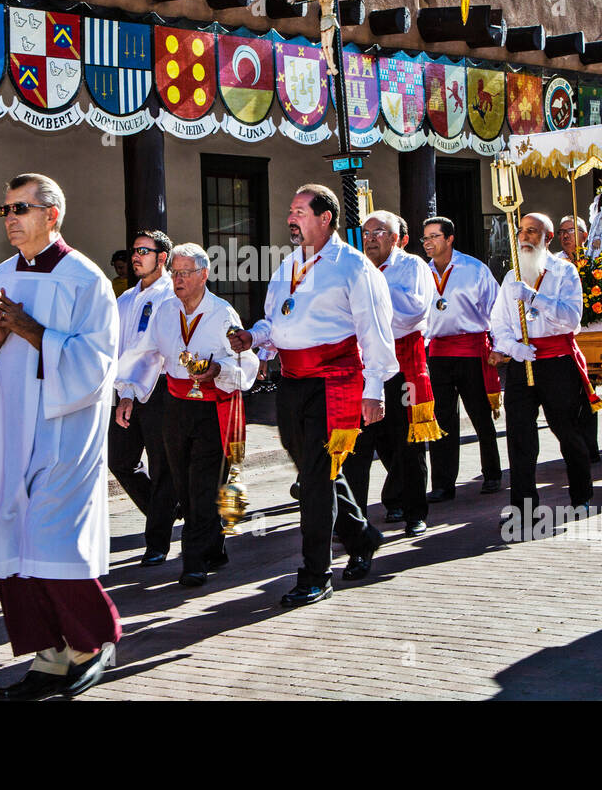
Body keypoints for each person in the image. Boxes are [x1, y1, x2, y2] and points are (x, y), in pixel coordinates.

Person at [0, 173, 121, 700]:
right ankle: (49, 652)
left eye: (20, 208)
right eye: (4, 210)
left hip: (63, 432)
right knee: (12, 534)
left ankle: (92, 644)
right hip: (7, 427)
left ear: (53, 214)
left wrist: (30, 329)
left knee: (53, 539)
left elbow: (97, 363)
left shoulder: (86, 280)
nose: (9, 219)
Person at [228, 184, 395, 607]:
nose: (291, 218)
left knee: (316, 480)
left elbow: (375, 332)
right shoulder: (287, 265)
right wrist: (253, 337)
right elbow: (275, 320)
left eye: (300, 211)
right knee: (313, 471)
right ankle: (362, 537)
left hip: (334, 381)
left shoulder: (354, 267)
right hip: (294, 382)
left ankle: (315, 574)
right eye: (290, 210)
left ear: (325, 218)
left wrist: (373, 391)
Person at [116, 243, 257, 587]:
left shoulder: (222, 313)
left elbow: (245, 362)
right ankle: (213, 546)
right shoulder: (166, 311)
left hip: (212, 406)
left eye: (185, 273)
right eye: (175, 273)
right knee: (181, 481)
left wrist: (218, 369)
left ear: (203, 275)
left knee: (203, 483)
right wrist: (127, 393)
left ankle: (192, 560)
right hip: (176, 405)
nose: (177, 279)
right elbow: (143, 353)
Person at [490, 214, 600, 533]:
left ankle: (581, 494)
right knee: (520, 435)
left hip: (556, 361)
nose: (525, 237)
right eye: (522, 231)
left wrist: (534, 297)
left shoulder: (564, 272)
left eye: (533, 232)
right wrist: (511, 345)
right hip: (523, 361)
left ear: (547, 238)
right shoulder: (512, 273)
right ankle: (524, 505)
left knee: (567, 429)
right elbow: (498, 321)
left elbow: (571, 318)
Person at [343, 211, 439, 536]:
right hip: (367, 365)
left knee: (407, 440)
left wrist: (375, 289)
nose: (370, 238)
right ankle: (354, 521)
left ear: (397, 238)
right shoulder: (357, 268)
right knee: (363, 442)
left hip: (403, 365)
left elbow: (413, 312)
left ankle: (414, 510)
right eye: (366, 233)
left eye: (379, 232)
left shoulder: (412, 267)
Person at [108, 230, 178, 566]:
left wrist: (131, 393)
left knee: (161, 465)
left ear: (162, 257)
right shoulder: (124, 300)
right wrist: (123, 392)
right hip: (127, 391)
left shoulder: (170, 297)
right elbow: (119, 349)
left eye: (143, 251)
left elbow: (154, 353)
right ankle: (166, 511)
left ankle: (157, 542)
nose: (135, 257)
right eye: (134, 251)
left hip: (160, 389)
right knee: (120, 460)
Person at [421, 215, 503, 502]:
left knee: (480, 415)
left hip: (471, 349)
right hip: (439, 353)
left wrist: (500, 344)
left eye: (434, 236)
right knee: (441, 420)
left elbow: (497, 307)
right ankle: (443, 484)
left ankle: (492, 473)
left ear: (449, 238)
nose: (428, 242)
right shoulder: (422, 272)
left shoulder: (474, 269)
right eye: (425, 238)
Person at [557, 214, 600, 462]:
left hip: (591, 335)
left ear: (584, 235)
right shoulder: (555, 264)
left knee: (588, 394)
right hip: (565, 339)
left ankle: (589, 447)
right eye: (562, 232)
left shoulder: (595, 262)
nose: (565, 236)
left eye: (570, 231)